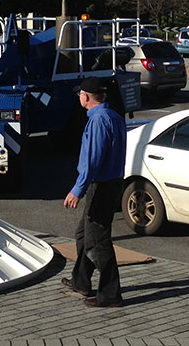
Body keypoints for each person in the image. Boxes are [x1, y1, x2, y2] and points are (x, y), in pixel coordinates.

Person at [61, 76, 127, 308]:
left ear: (86, 97)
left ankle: (110, 294)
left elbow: (93, 160)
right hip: (112, 182)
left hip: (102, 185)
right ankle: (81, 281)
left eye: (80, 94)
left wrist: (77, 190)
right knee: (84, 235)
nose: (79, 96)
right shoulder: (115, 117)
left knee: (99, 241)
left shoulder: (98, 121)